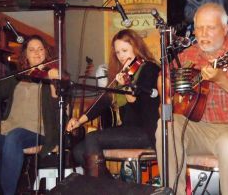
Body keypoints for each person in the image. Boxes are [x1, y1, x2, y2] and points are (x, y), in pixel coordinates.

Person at [155, 2, 228, 195]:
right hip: (204, 130)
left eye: (210, 27)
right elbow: (166, 83)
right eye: (199, 28)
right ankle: (172, 192)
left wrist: (222, 79)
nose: (203, 33)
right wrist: (164, 92)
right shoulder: (189, 55)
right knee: (166, 125)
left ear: (225, 28)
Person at [66, 29, 160, 178]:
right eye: (118, 52)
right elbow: (104, 101)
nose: (121, 56)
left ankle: (104, 189)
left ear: (136, 47)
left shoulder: (150, 69)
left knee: (92, 138)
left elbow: (140, 107)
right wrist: (79, 120)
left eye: (125, 50)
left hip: (146, 131)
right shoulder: (125, 72)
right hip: (128, 129)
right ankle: (111, 186)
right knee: (78, 151)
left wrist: (127, 86)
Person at [0, 35, 60, 195]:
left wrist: (55, 81)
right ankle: (3, 187)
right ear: (25, 55)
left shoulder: (51, 75)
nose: (36, 53)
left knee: (14, 138)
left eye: (40, 49)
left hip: (39, 129)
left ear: (46, 52)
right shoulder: (18, 76)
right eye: (31, 50)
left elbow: (58, 106)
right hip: (11, 126)